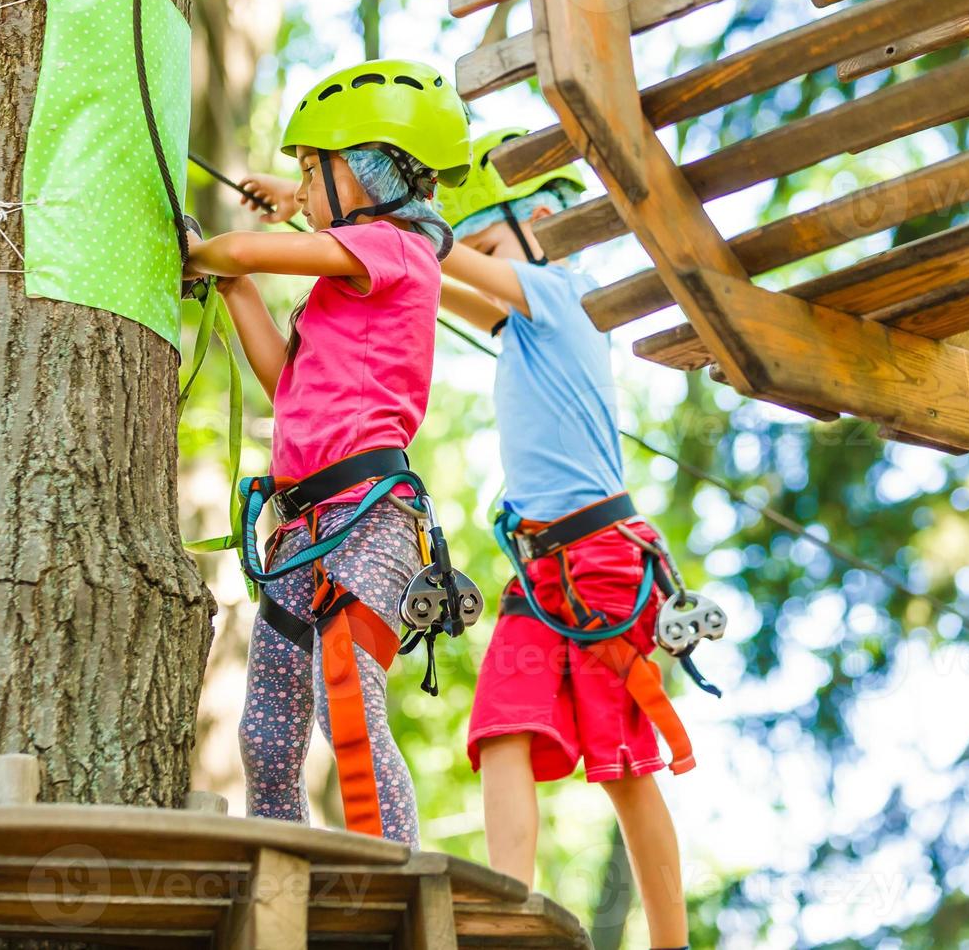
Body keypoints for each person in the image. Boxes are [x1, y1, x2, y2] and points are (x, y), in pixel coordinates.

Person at [183, 60, 472, 846]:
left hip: (370, 517)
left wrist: (215, 252)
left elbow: (251, 248)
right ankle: (286, 873)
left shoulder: (400, 251)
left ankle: (392, 875)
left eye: (313, 171)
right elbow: (286, 383)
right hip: (302, 531)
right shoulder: (340, 289)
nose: (304, 191)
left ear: (369, 172)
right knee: (266, 737)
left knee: (346, 696)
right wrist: (232, 283)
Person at [435, 128, 691, 948]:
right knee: (501, 727)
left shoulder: (560, 289)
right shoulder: (521, 320)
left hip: (603, 559)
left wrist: (399, 221)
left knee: (623, 766)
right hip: (540, 573)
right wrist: (334, 227)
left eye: (489, 242)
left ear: (544, 218)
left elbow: (442, 259)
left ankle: (670, 943)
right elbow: (437, 274)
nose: (479, 258)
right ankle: (508, 910)